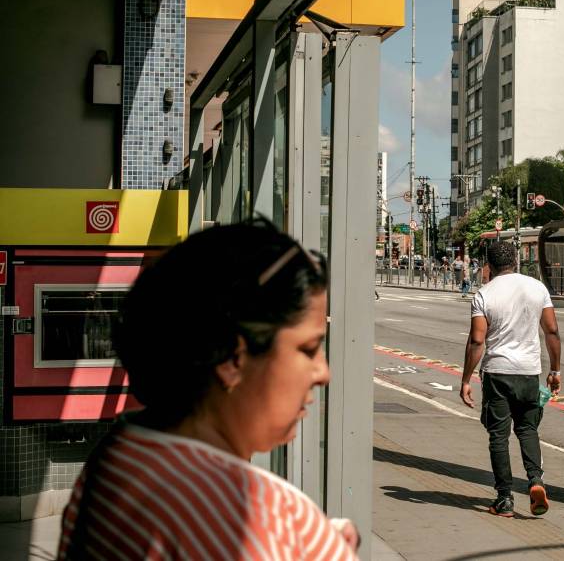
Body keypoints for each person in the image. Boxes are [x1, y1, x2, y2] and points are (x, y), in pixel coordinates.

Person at [58, 220, 359, 560]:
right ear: (233, 358)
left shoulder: (116, 456)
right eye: (308, 349)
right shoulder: (264, 515)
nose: (324, 372)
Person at [460, 242, 561, 518]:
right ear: (515, 261)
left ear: (488, 266)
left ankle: (504, 499)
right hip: (529, 372)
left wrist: (466, 379)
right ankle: (536, 481)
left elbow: (477, 340)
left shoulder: (484, 294)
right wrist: (555, 370)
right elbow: (552, 331)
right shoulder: (537, 288)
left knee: (498, 437)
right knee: (528, 430)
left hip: (498, 373)